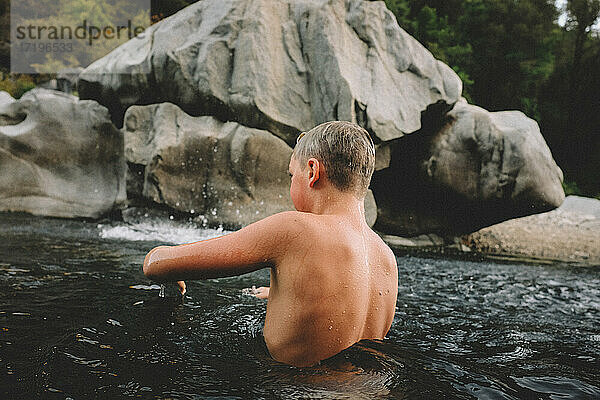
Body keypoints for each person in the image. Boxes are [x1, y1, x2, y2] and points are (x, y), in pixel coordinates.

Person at [143, 121, 398, 367]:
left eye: (291, 174)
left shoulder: (295, 229)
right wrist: (276, 293)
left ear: (312, 172)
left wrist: (160, 259)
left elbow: (155, 266)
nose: (291, 182)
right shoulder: (386, 258)